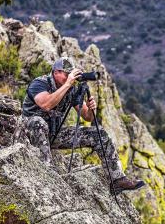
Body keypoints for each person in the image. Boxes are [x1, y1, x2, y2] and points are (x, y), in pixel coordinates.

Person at [21, 57, 145, 192]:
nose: (70, 77)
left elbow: (87, 116)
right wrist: (67, 84)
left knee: (98, 133)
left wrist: (92, 108)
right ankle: (48, 175)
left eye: (71, 74)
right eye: (66, 74)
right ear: (56, 72)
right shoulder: (40, 83)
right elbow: (46, 105)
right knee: (38, 122)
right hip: (28, 133)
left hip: (53, 133)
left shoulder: (71, 89)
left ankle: (118, 179)